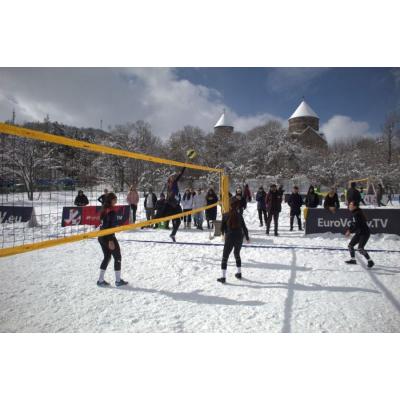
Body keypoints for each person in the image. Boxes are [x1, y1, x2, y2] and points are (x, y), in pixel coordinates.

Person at [97, 192, 128, 287]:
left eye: (116, 199)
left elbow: (101, 199)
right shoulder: (111, 211)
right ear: (110, 200)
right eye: (114, 199)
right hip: (108, 237)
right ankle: (118, 281)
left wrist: (106, 197)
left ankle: (100, 280)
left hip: (101, 236)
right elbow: (108, 226)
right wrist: (111, 240)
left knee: (107, 257)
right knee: (117, 257)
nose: (116, 201)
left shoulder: (104, 208)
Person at [217, 198, 250, 284]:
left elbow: (221, 229)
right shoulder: (240, 215)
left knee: (225, 257)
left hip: (230, 237)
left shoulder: (225, 215)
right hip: (239, 236)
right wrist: (247, 237)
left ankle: (223, 277)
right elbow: (244, 227)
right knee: (237, 254)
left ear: (230, 206)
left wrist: (223, 233)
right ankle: (239, 273)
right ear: (237, 206)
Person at [345, 201, 374, 268]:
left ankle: (370, 261)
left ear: (355, 206)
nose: (349, 205)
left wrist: (350, 231)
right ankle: (353, 260)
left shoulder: (357, 213)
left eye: (351, 204)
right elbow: (353, 224)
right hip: (359, 232)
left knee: (360, 248)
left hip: (364, 233)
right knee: (350, 246)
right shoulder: (355, 212)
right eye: (349, 204)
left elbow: (356, 225)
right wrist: (349, 230)